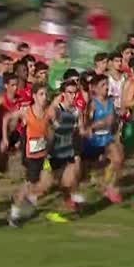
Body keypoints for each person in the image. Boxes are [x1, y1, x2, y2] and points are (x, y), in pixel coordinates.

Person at [4, 85, 57, 226]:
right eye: (41, 94)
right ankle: (14, 214)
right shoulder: (26, 112)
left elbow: (51, 128)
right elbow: (7, 118)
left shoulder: (47, 112)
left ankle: (23, 198)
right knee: (29, 184)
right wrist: (5, 137)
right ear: (34, 96)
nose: (44, 97)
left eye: (46, 94)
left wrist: (52, 133)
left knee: (47, 181)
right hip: (31, 156)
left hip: (43, 154)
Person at [46, 77, 86, 218]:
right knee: (52, 185)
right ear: (63, 94)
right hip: (54, 152)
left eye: (75, 93)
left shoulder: (77, 112)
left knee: (70, 180)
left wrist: (87, 131)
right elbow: (46, 123)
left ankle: (70, 206)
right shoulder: (57, 110)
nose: (73, 96)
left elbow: (81, 130)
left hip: (69, 151)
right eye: (69, 92)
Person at [82, 75, 124, 204]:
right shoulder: (93, 104)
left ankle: (110, 187)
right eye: (103, 85)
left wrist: (116, 121)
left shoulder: (111, 102)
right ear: (95, 88)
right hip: (94, 140)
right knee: (90, 169)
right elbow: (86, 125)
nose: (106, 87)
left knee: (118, 159)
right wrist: (100, 123)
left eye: (107, 84)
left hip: (107, 138)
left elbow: (113, 120)